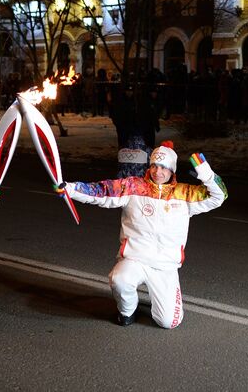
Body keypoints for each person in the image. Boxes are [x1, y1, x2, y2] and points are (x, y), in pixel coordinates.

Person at [62, 141, 227, 329]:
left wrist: (207, 175)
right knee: (119, 279)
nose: (158, 171)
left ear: (172, 170)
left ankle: (163, 299)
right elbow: (102, 191)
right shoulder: (133, 187)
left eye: (164, 167)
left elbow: (219, 196)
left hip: (165, 266)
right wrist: (70, 189)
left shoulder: (184, 194)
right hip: (135, 258)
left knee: (168, 323)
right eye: (155, 165)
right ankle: (127, 310)